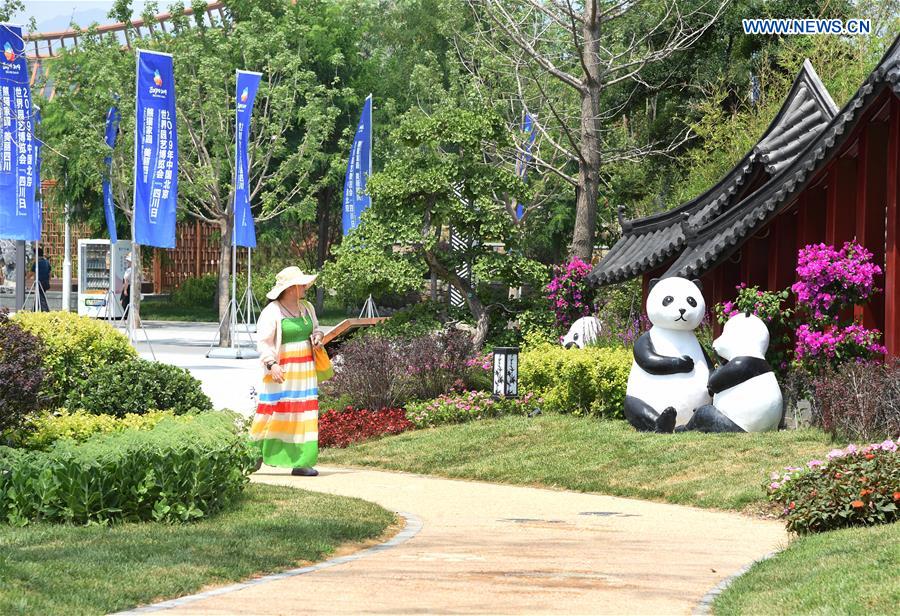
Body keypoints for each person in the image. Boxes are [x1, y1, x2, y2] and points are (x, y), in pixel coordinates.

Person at [251, 266, 325, 476]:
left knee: (303, 413)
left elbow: (316, 328)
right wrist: (271, 364)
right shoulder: (272, 311)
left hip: (305, 371)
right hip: (282, 370)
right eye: (301, 284)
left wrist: (318, 337)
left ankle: (302, 461)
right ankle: (254, 453)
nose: (305, 287)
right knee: (272, 410)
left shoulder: (307, 307)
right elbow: (264, 343)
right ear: (291, 288)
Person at [36, 248, 50, 312]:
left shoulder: (37, 263)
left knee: (41, 297)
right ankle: (34, 309)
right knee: (39, 296)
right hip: (46, 283)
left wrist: (24, 279)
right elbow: (49, 273)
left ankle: (46, 311)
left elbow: (31, 273)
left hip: (39, 283)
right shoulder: (47, 262)